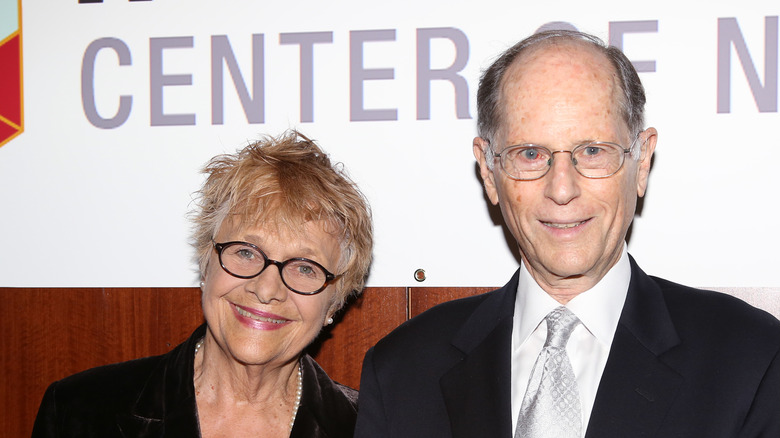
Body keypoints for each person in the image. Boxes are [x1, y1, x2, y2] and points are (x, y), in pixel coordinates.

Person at [354, 30, 780, 437]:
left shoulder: (752, 360)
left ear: (642, 162)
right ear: (488, 171)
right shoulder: (401, 371)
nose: (562, 189)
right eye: (530, 153)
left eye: (593, 151)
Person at [32, 130, 373, 438]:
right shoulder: (79, 412)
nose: (267, 289)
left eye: (304, 267)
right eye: (246, 252)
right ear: (205, 263)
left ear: (335, 300)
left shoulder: (371, 427)